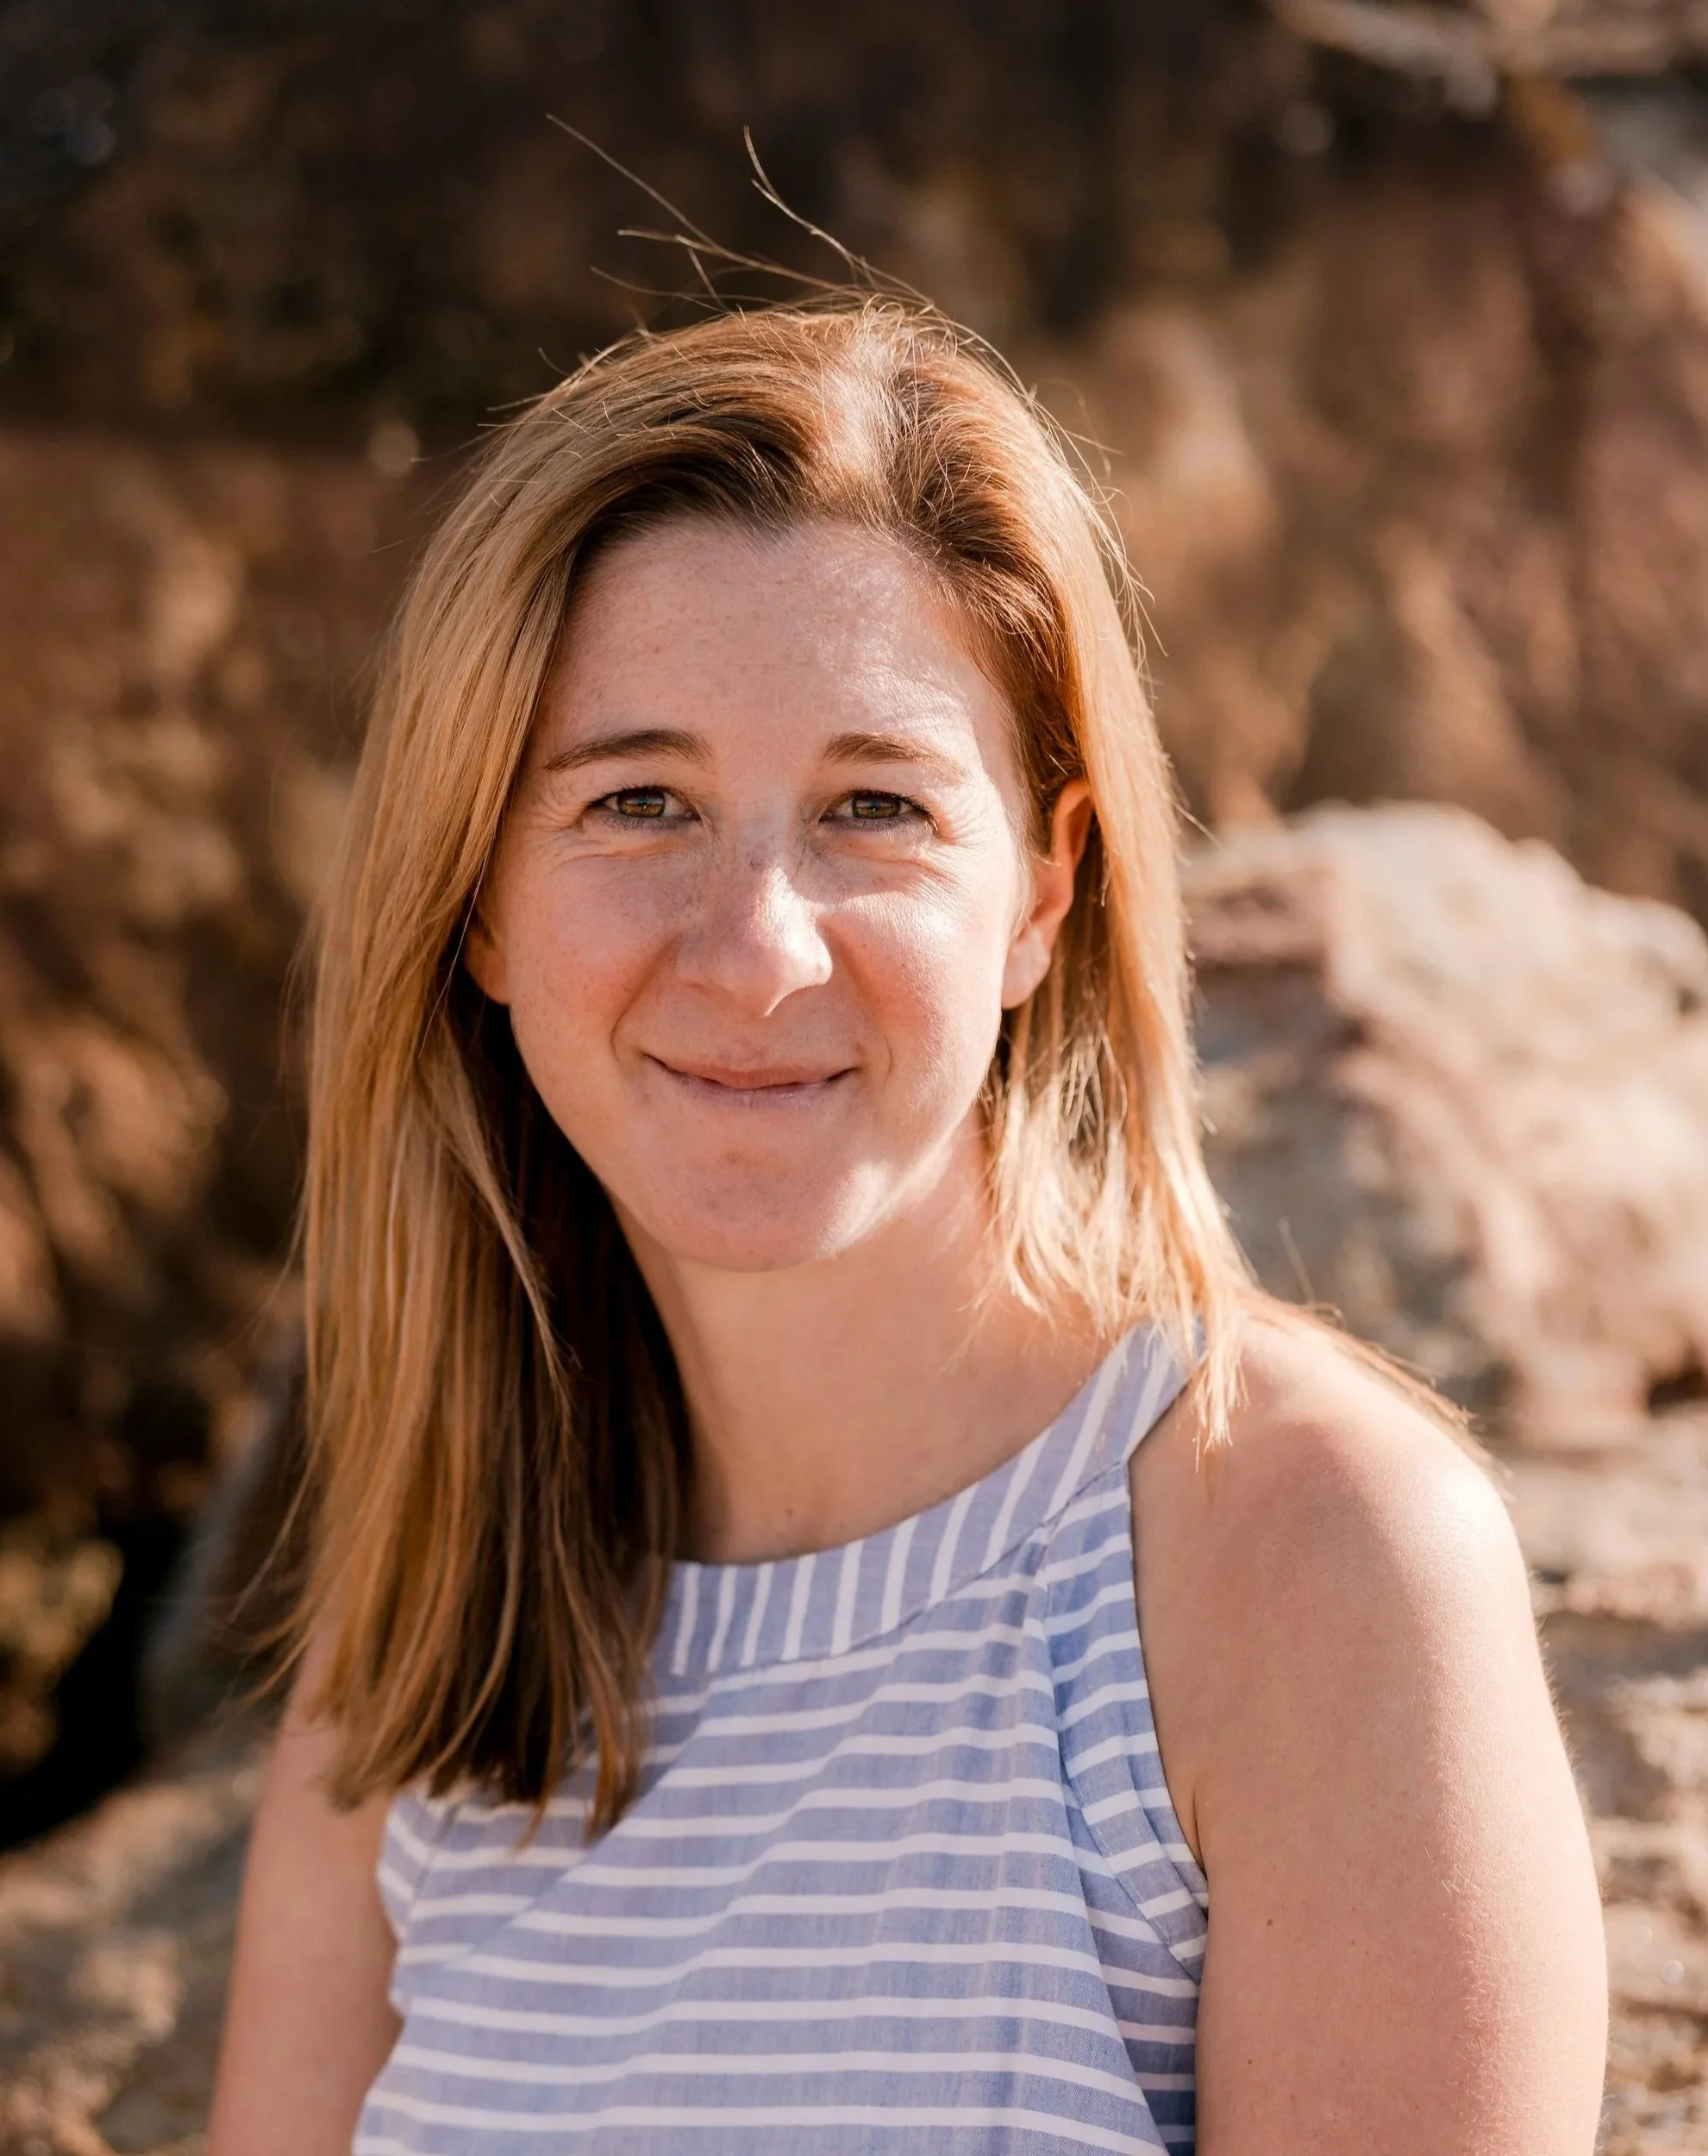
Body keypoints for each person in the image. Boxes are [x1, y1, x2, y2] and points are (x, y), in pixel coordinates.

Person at [207, 300, 1607, 2154]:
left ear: (1041, 891)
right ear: (475, 902)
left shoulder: (1304, 1562)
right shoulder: (424, 1650)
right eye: (638, 802)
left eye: (873, 807)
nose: (756, 950)